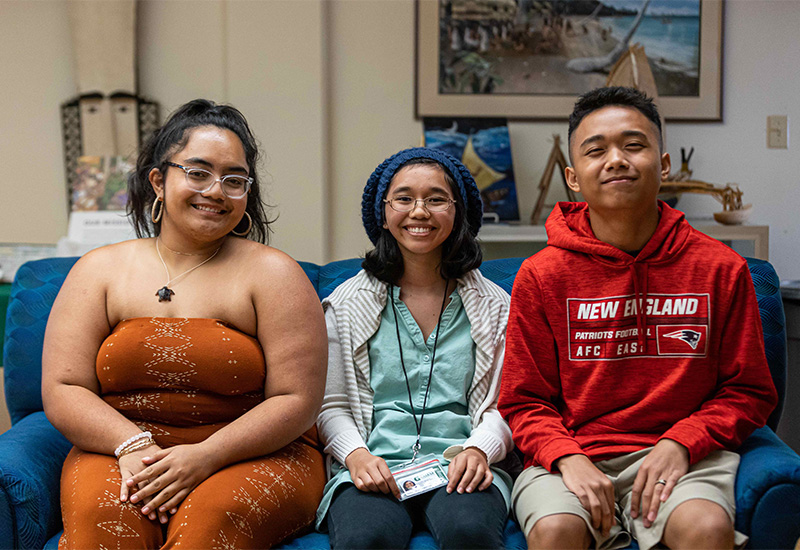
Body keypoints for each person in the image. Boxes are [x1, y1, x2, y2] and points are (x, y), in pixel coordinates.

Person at [498, 87, 778, 550]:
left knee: (706, 528)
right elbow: (524, 402)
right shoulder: (541, 275)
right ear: (573, 177)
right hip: (573, 455)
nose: (616, 160)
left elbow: (749, 391)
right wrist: (567, 457)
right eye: (596, 150)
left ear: (663, 165)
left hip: (685, 455)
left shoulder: (721, 268)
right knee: (555, 531)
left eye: (633, 145)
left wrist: (683, 442)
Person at [42, 99, 328, 549]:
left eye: (234, 180)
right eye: (198, 172)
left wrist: (204, 457)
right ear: (159, 180)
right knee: (105, 525)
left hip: (252, 453)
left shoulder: (274, 274)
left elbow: (297, 400)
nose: (216, 191)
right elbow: (63, 387)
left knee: (207, 529)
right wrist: (131, 445)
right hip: (122, 449)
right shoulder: (98, 270)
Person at [316, 147, 513, 549]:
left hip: (462, 464)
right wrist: (355, 456)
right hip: (373, 463)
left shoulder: (496, 305)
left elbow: (505, 402)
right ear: (383, 213)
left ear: (457, 212)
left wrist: (479, 450)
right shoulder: (345, 303)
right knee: (365, 537)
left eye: (436, 199)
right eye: (404, 198)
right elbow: (331, 405)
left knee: (469, 531)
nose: (419, 211)